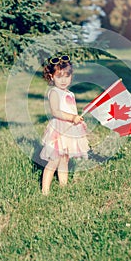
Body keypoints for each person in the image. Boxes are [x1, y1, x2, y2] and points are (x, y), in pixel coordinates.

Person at [40, 54, 89, 195]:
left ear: (71, 76)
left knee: (64, 161)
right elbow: (56, 111)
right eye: (59, 76)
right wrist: (71, 117)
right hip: (59, 130)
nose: (63, 80)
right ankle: (45, 191)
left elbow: (71, 109)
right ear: (51, 76)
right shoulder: (54, 92)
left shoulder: (70, 93)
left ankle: (63, 187)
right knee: (54, 161)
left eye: (66, 76)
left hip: (70, 130)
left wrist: (76, 118)